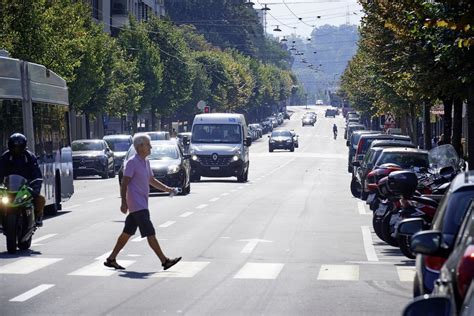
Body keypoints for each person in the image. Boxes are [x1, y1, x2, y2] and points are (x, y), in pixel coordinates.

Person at [104, 134, 182, 271]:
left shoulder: (145, 162)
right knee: (150, 232)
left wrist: (168, 189)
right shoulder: (132, 162)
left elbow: (151, 180)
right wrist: (123, 201)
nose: (150, 147)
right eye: (148, 144)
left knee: (127, 232)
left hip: (141, 203)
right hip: (137, 204)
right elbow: (124, 183)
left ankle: (111, 258)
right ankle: (165, 261)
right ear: (140, 147)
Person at [0, 133, 45, 227]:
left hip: (25, 187)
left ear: (24, 146)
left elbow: (36, 174)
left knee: (40, 199)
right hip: (9, 188)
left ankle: (38, 217)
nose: (16, 149)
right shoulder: (5, 157)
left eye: (19, 147)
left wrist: (35, 188)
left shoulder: (30, 157)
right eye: (14, 147)